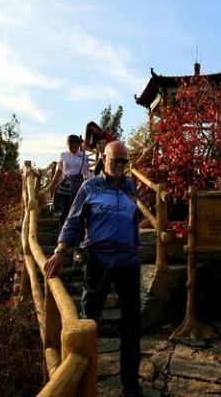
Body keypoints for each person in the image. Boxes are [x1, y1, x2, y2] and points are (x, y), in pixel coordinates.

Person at [45, 141, 142, 397]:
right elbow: (73, 221)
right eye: (115, 160)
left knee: (132, 323)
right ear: (103, 158)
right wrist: (60, 250)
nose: (120, 165)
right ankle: (84, 381)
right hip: (98, 260)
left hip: (128, 263)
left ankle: (130, 383)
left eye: (124, 161)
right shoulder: (90, 187)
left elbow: (133, 222)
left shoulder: (131, 187)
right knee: (89, 321)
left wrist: (135, 246)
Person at [51, 135, 92, 227]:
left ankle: (77, 233)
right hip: (65, 185)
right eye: (71, 147)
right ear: (67, 145)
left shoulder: (83, 156)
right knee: (63, 210)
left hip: (78, 186)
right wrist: (52, 185)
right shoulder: (63, 155)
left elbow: (86, 172)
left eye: (76, 147)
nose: (73, 149)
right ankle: (61, 230)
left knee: (77, 209)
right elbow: (59, 170)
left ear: (79, 145)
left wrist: (90, 185)